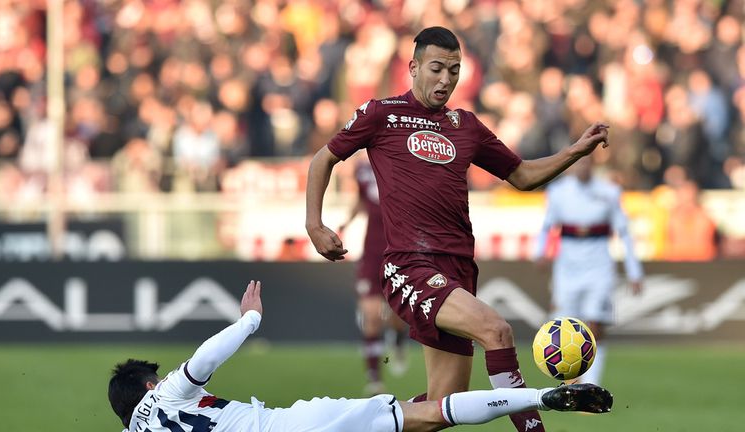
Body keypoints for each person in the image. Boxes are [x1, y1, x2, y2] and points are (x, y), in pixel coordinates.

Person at [305, 26, 610, 432]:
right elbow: (322, 159)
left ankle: (358, 423)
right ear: (413, 67)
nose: (445, 79)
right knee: (496, 330)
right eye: (436, 68)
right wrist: (315, 224)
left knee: (442, 408)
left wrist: (573, 151)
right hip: (409, 265)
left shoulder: (465, 125)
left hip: (459, 271)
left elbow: (520, 175)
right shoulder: (382, 114)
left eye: (454, 70)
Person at [108, 280, 614, 432]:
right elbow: (202, 360)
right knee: (428, 414)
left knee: (421, 418)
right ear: (148, 386)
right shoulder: (168, 392)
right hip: (291, 427)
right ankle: (545, 398)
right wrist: (250, 321)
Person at [532, 156, 643, 387]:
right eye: (578, 163)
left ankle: (591, 384)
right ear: (571, 166)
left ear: (593, 165)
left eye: (586, 163)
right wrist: (540, 252)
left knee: (595, 324)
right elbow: (546, 227)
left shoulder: (609, 192)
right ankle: (569, 384)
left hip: (599, 265)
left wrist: (635, 272)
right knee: (563, 326)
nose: (582, 167)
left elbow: (624, 233)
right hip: (567, 266)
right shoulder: (558, 191)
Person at [338, 153, 409, 395]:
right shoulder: (362, 169)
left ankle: (398, 340)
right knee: (371, 314)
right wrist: (345, 223)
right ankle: (375, 379)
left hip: (399, 250)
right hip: (372, 252)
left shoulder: (402, 160)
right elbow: (361, 200)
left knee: (397, 315)